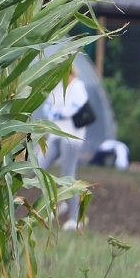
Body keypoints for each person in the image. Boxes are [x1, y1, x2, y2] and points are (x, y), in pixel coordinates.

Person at [41, 65, 89, 229]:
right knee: (39, 168)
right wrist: (53, 113)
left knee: (68, 175)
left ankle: (76, 218)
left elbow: (75, 108)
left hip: (71, 137)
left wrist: (57, 113)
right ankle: (56, 205)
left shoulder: (78, 86)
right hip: (55, 134)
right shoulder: (57, 86)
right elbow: (47, 106)